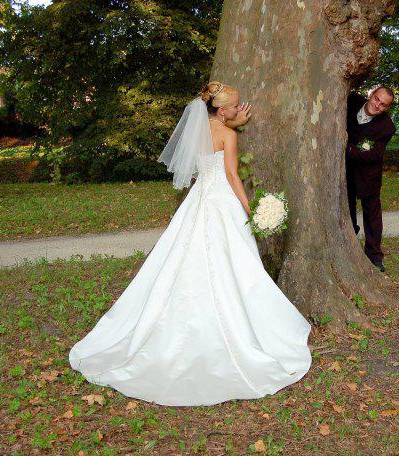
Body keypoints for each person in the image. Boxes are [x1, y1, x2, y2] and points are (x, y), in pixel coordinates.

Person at [69, 81, 312, 407]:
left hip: (198, 199)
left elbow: (201, 160)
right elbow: (231, 175)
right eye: (234, 106)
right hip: (221, 201)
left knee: (182, 254)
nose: (239, 109)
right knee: (232, 260)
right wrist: (249, 208)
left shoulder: (197, 130)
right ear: (221, 110)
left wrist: (231, 125)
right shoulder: (228, 135)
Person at [345, 86, 396, 273]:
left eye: (383, 105)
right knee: (347, 207)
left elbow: (374, 154)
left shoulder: (387, 127)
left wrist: (347, 149)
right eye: (376, 99)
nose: (377, 105)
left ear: (387, 108)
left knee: (372, 215)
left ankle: (374, 255)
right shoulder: (351, 101)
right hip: (344, 171)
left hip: (368, 174)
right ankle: (349, 239)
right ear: (371, 95)